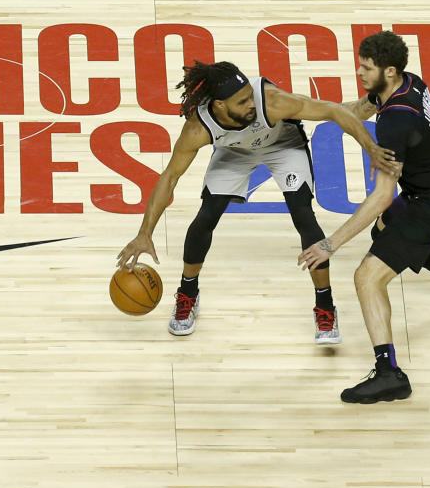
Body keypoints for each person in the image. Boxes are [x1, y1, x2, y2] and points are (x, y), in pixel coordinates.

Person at [116, 60, 400, 343]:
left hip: (283, 145)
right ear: (219, 105)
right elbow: (169, 178)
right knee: (206, 216)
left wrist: (371, 148)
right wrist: (144, 233)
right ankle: (188, 292)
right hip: (235, 153)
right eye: (242, 101)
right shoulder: (198, 128)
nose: (252, 103)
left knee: (304, 216)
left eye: (251, 95)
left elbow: (333, 110)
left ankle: (325, 306)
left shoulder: (271, 102)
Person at [298, 30, 430, 404]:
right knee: (384, 232)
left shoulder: (396, 123)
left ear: (387, 70)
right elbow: (357, 110)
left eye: (366, 67)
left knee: (367, 277)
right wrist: (302, 114)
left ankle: (389, 375)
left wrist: (329, 244)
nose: (359, 71)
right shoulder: (406, 83)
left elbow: (382, 195)